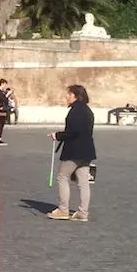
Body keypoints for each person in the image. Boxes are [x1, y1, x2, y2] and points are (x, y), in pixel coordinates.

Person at [47, 85, 96, 222]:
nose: (66, 97)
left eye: (68, 94)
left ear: (74, 95)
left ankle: (63, 209)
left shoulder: (75, 111)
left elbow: (73, 132)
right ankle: (83, 212)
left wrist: (57, 135)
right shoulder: (87, 110)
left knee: (62, 176)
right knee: (83, 182)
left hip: (75, 150)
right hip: (87, 150)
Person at [0, 78, 10, 145]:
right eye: (5, 84)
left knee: (1, 124)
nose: (5, 86)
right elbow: (3, 99)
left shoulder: (2, 91)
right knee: (0, 124)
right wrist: (7, 94)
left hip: (3, 110)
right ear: (2, 84)